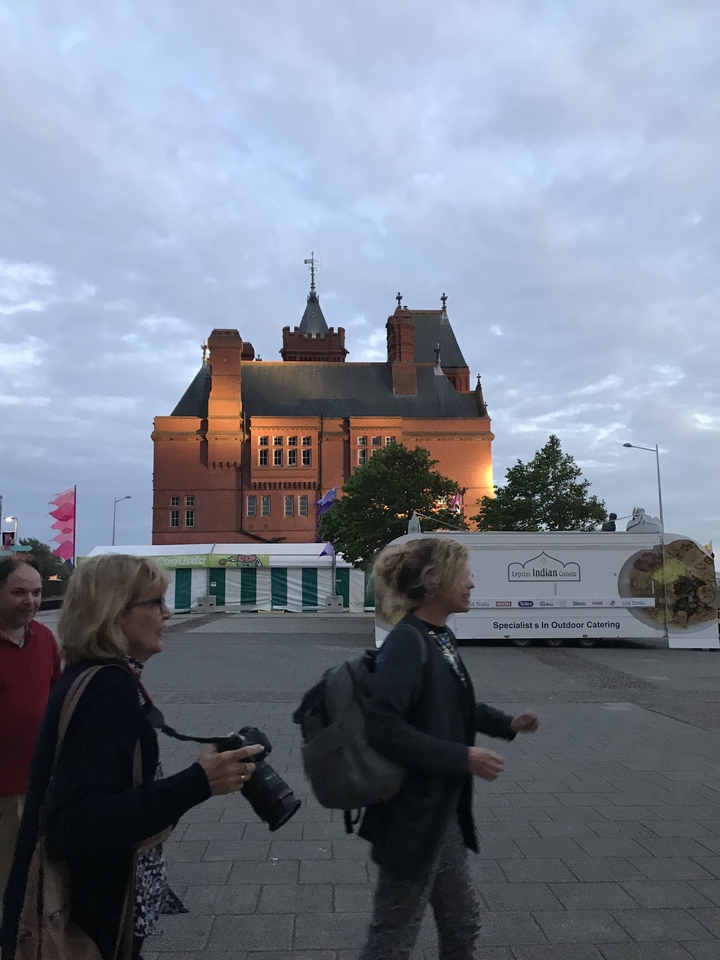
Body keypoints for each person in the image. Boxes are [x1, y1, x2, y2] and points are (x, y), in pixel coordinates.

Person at [1, 554, 263, 960]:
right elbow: (76, 822)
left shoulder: (101, 676)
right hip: (93, 914)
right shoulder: (107, 690)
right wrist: (198, 781)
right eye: (155, 602)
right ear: (114, 612)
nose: (167, 613)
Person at [359, 537, 540, 960]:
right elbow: (383, 727)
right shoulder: (407, 642)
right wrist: (462, 757)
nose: (472, 584)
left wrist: (506, 724)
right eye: (465, 575)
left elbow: (456, 703)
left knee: (462, 924)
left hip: (442, 811)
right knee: (393, 935)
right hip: (412, 816)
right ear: (433, 581)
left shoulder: (439, 637)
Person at [0, 556, 61, 907]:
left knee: (28, 885)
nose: (31, 601)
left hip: (38, 784)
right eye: (19, 592)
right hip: (3, 788)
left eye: (37, 593)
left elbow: (54, 696)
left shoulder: (44, 638)